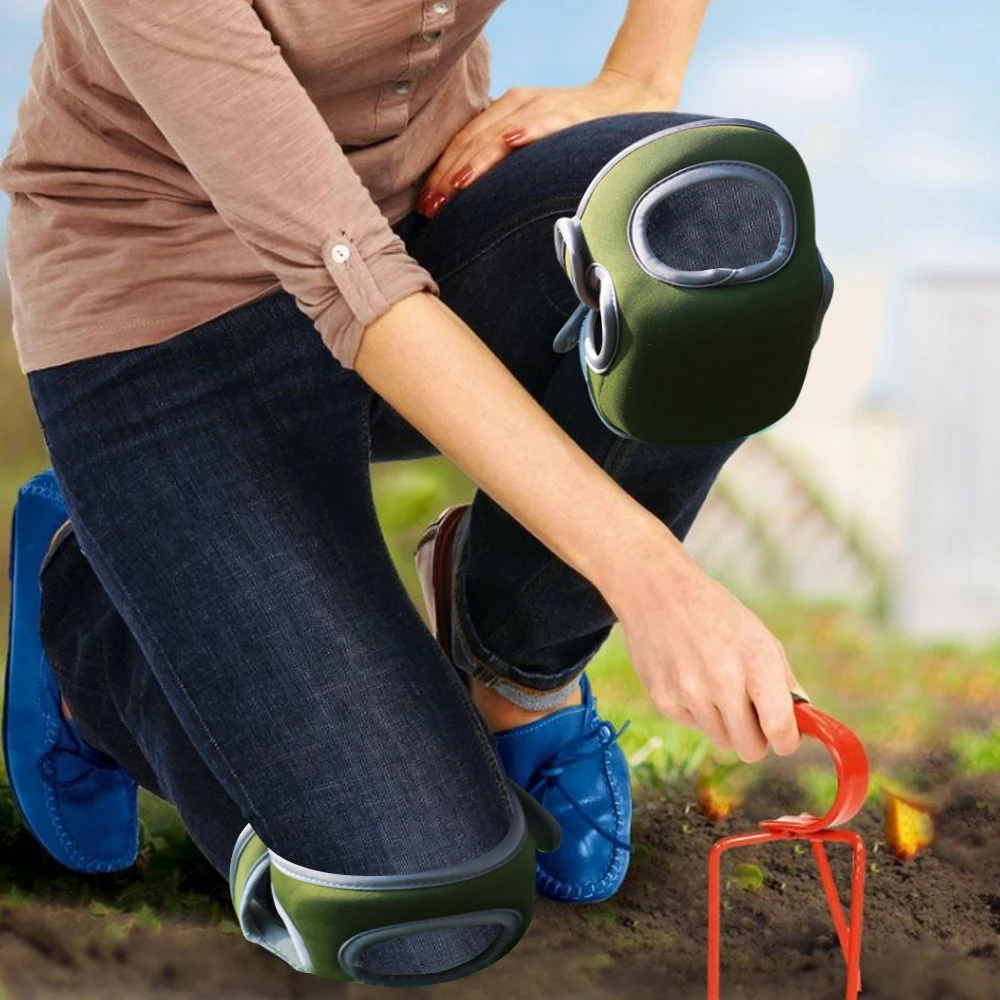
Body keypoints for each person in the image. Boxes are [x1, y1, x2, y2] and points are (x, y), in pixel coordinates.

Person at [1, 0, 808, 978]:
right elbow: (349, 276)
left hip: (425, 218)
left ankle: (515, 670)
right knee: (421, 909)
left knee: (711, 214)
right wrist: (649, 572)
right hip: (170, 317)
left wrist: (638, 76)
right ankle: (94, 603)